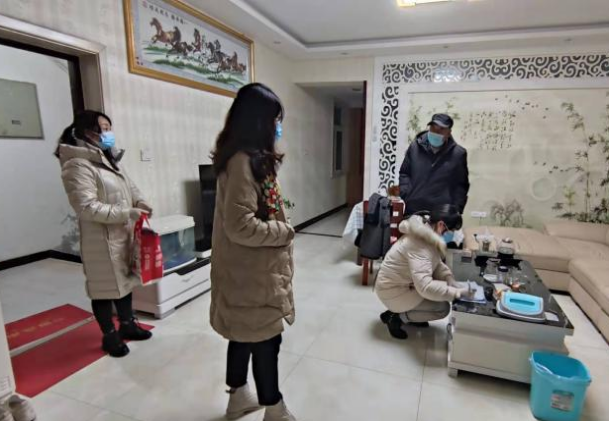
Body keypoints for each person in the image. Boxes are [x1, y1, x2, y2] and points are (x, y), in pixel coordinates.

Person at [210, 83, 296, 422]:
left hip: (248, 269)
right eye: (275, 119)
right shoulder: (243, 162)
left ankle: (238, 398)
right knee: (266, 340)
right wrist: (283, 231)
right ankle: (274, 408)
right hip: (251, 273)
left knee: (244, 333)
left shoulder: (249, 158)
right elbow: (240, 225)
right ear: (258, 121)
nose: (278, 126)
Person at [56, 110, 153, 358]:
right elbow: (86, 207)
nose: (109, 133)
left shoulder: (109, 159)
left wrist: (141, 202)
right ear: (87, 132)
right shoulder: (77, 165)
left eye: (110, 127)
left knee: (126, 283)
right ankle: (109, 336)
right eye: (104, 128)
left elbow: (131, 188)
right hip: (101, 240)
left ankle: (128, 325)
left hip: (123, 235)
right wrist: (128, 213)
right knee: (103, 290)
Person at [375, 205, 474, 340]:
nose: (452, 235)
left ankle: (403, 314)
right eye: (451, 231)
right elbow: (425, 287)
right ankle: (396, 317)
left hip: (400, 285)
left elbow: (435, 262)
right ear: (441, 225)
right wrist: (456, 293)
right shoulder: (419, 244)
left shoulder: (426, 233)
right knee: (442, 308)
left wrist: (449, 278)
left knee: (440, 295)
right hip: (393, 291)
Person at [399, 113, 470, 216]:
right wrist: (406, 193)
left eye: (441, 130)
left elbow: (461, 186)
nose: (436, 132)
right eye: (433, 128)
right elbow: (404, 173)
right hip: (413, 209)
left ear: (448, 133)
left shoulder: (458, 154)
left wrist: (456, 210)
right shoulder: (415, 147)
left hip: (441, 214)